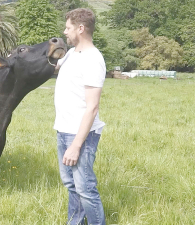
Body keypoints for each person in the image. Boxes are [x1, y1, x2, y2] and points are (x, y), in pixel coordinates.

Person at [54, 8, 106, 225]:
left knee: (85, 188)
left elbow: (92, 107)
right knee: (71, 184)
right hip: (63, 129)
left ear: (81, 29)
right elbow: (54, 67)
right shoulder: (70, 54)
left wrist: (76, 145)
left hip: (80, 134)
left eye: (68, 28)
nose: (65, 32)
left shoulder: (93, 59)